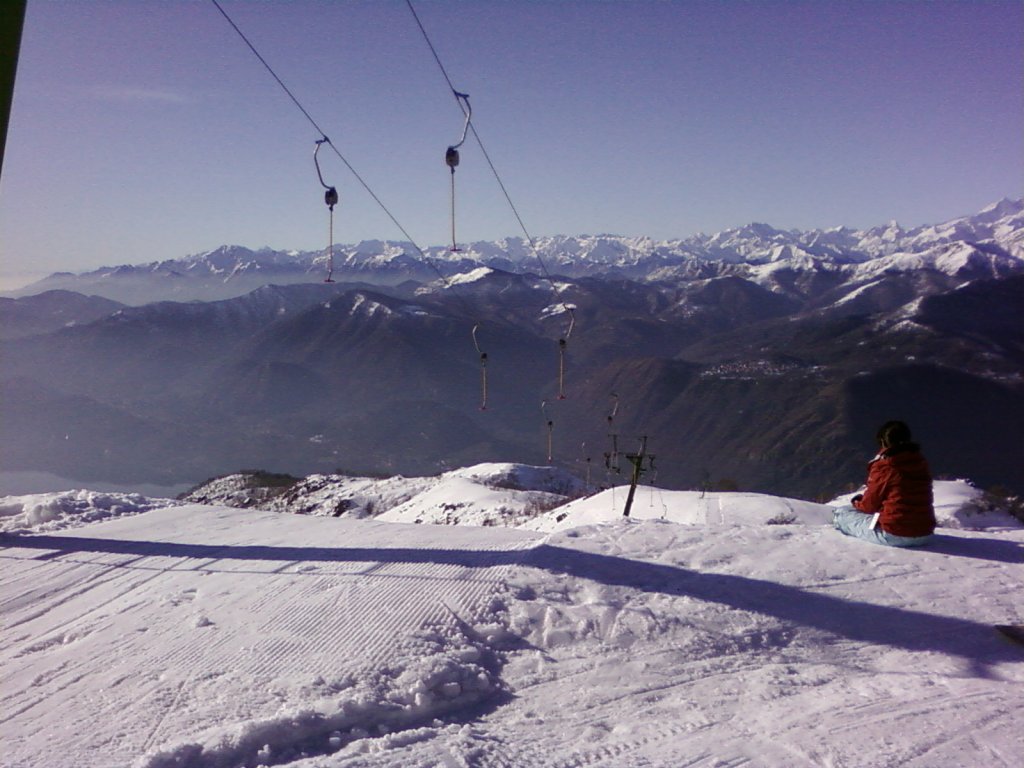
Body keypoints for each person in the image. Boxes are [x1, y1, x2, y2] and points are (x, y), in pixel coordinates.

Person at [832, 420, 936, 547]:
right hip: (926, 533)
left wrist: (857, 502)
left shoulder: (886, 466)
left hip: (894, 534)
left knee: (841, 513)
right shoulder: (920, 463)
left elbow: (869, 506)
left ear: (884, 441)